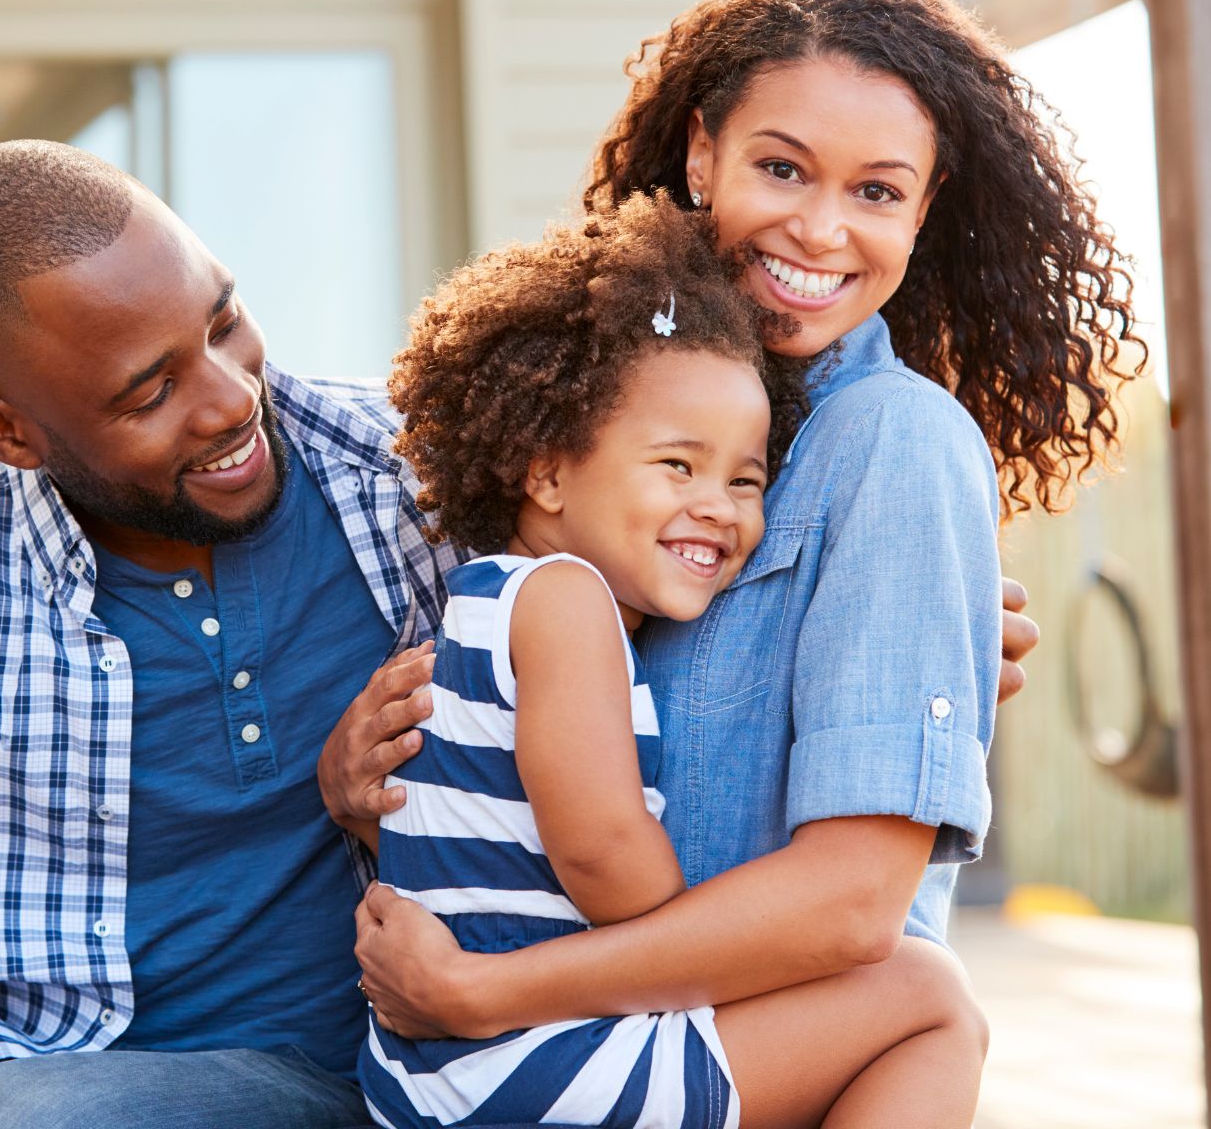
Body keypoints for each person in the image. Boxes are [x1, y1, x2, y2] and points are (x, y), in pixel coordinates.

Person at [330, 0, 1143, 1112]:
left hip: (678, 1048)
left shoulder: (897, 446)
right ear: (703, 153)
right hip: (577, 1061)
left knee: (930, 998)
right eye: (780, 167)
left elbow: (854, 908)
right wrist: (361, 774)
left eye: (877, 190)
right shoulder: (592, 411)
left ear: (926, 206)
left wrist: (488, 997)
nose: (820, 227)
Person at [0, 140, 453, 1129]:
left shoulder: (420, 482)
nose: (233, 398)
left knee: (21, 1121)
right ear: (9, 435)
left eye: (224, 322)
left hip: (298, 1078)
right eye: (150, 391)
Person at [359, 192, 987, 1129]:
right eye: (677, 467)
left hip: (439, 1066)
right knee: (928, 997)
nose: (721, 507)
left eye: (746, 478)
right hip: (524, 1064)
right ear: (549, 471)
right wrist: (698, 926)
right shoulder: (566, 603)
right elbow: (602, 850)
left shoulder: (485, 605)